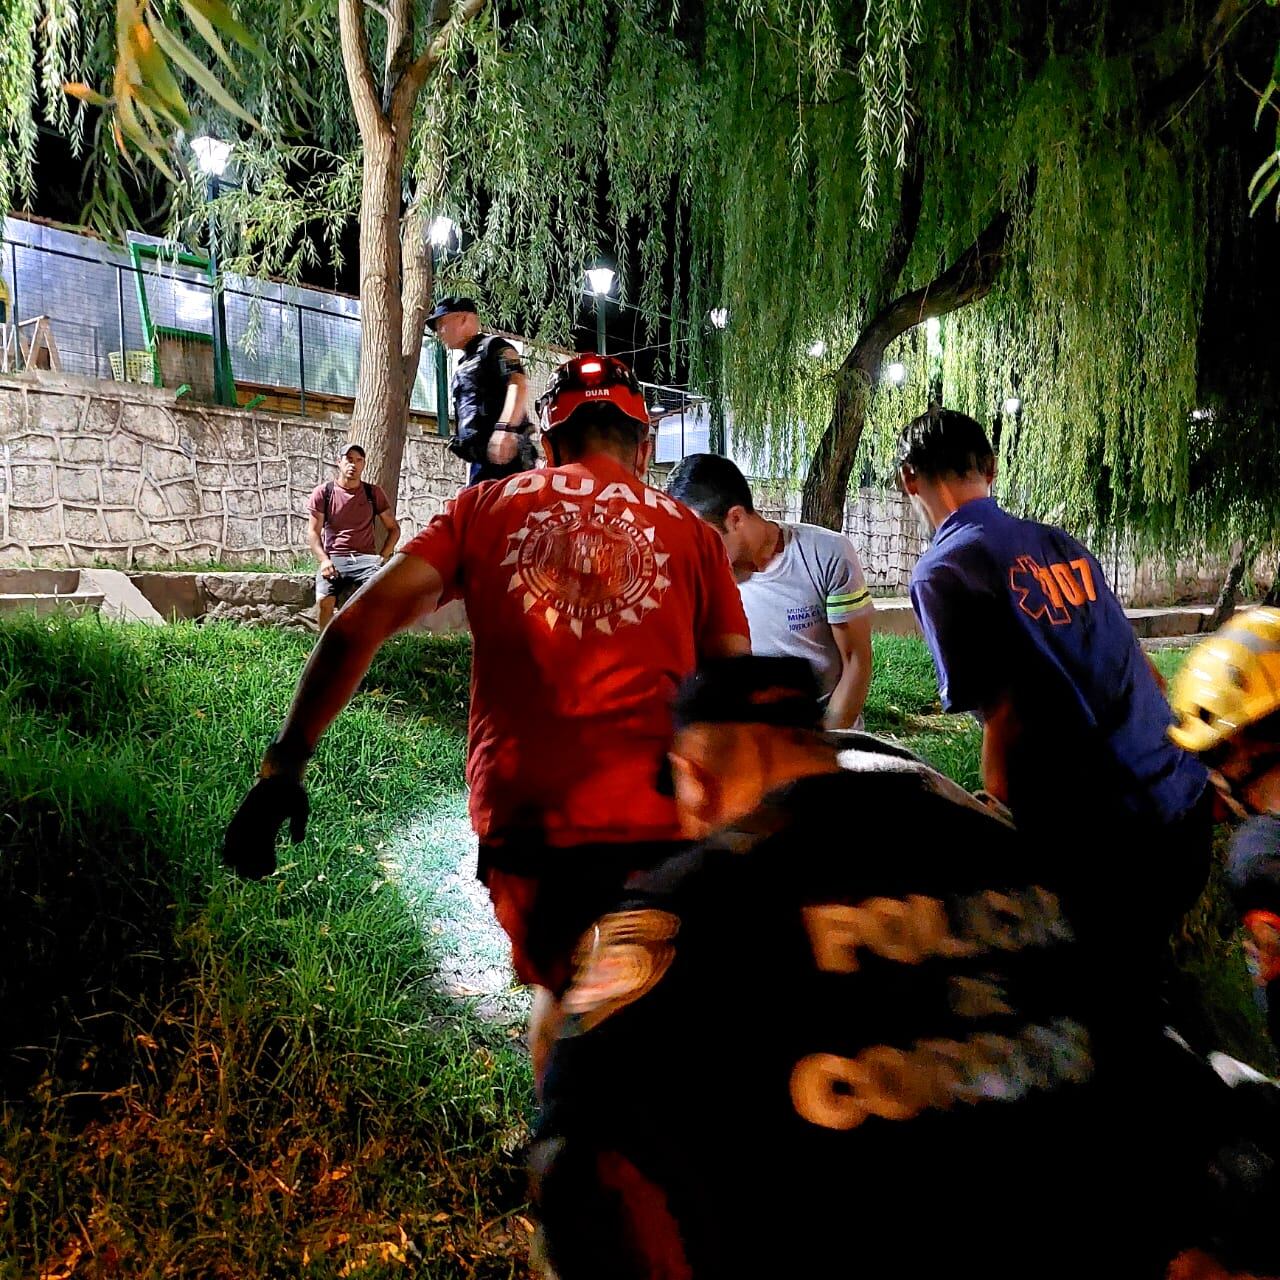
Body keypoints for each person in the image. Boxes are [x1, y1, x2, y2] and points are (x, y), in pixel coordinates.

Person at [533, 656, 1226, 1280]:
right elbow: (1154, 1052)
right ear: (819, 744)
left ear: (694, 777)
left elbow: (579, 1155)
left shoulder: (688, 905)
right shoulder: (1013, 856)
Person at [222, 353, 750, 1091]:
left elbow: (354, 626)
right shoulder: (693, 538)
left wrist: (285, 764)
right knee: (649, 1000)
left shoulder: (485, 509)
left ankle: (557, 1139)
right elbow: (734, 688)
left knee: (562, 988)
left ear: (553, 443)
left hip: (526, 817)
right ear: (645, 447)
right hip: (658, 818)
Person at [895, 407, 1212, 979]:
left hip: (1103, 842)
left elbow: (1004, 711)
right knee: (1145, 981)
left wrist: (998, 820)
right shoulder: (1061, 542)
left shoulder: (943, 570)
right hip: (1183, 805)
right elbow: (1144, 667)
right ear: (991, 468)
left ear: (906, 478)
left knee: (1094, 1000)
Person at [666, 453, 874, 729]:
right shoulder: (698, 582)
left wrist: (824, 742)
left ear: (735, 519)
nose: (694, 552)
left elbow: (855, 662)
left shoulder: (827, 554)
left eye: (701, 538)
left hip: (827, 733)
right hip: (751, 742)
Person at [427, 295, 537, 486]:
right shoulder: (465, 361)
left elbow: (517, 383)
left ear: (462, 319)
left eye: (442, 323)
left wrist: (506, 429)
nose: (439, 332)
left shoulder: (493, 347)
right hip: (484, 458)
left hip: (506, 455)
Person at [307, 443, 400, 631]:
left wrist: (383, 557)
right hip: (335, 558)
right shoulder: (324, 492)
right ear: (338, 462)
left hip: (367, 559)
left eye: (359, 461)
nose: (353, 465)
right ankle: (325, 646)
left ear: (364, 465)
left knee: (380, 596)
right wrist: (324, 561)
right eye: (349, 460)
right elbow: (313, 533)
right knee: (325, 602)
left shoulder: (373, 493)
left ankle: (365, 645)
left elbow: (394, 529)